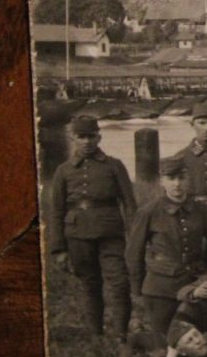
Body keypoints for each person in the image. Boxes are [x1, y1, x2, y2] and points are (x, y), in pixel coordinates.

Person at [45, 113, 139, 339]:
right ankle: (95, 336)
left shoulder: (114, 166)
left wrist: (135, 238)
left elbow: (129, 204)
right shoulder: (63, 171)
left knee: (119, 283)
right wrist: (58, 248)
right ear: (73, 138)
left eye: (91, 136)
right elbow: (56, 211)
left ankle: (120, 335)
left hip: (111, 233)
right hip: (77, 234)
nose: (86, 141)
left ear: (99, 137)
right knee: (90, 285)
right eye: (81, 136)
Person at [124, 154, 207, 337]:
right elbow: (134, 253)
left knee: (198, 340)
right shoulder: (148, 212)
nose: (177, 184)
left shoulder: (202, 211)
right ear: (161, 181)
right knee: (164, 343)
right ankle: (141, 345)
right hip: (160, 286)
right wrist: (137, 288)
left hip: (193, 284)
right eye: (171, 178)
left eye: (181, 178)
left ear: (189, 179)